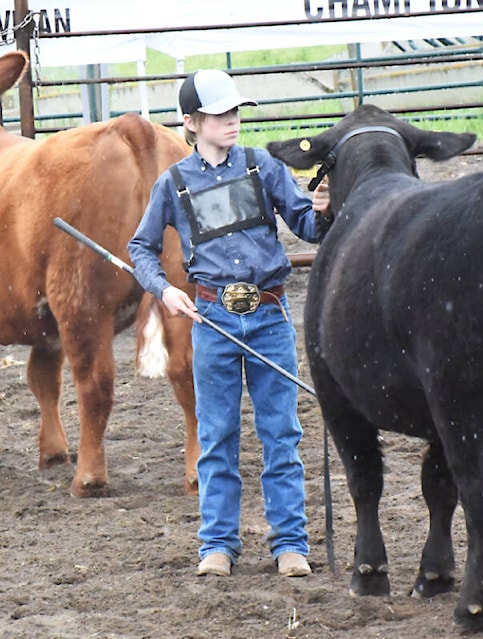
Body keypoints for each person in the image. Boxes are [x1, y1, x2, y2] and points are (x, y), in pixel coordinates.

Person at [127, 69, 332, 578]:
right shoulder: (173, 184)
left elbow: (306, 225)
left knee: (281, 434)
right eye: (220, 114)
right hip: (212, 319)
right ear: (192, 123)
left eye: (235, 111)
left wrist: (326, 211)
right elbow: (140, 248)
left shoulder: (263, 167)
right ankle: (217, 545)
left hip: (269, 316)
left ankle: (290, 545)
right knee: (216, 438)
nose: (232, 121)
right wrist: (165, 289)